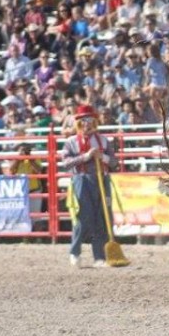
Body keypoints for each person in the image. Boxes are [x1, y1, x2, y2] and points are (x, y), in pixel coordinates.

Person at [59, 105, 116, 268]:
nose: (87, 124)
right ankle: (75, 252)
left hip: (102, 180)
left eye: (90, 120)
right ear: (78, 122)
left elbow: (114, 162)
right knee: (82, 218)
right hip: (81, 180)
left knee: (102, 218)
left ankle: (100, 257)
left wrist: (102, 157)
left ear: (95, 122)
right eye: (83, 120)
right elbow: (66, 163)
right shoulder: (70, 142)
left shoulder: (104, 140)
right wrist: (86, 157)